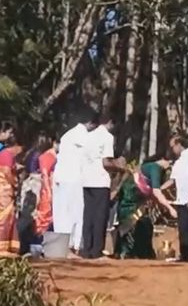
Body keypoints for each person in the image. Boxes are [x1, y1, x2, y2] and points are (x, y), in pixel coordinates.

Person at [50, 110, 98, 258]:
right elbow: (92, 156)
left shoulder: (67, 135)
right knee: (74, 214)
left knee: (60, 213)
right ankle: (70, 249)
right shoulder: (82, 135)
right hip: (73, 178)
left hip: (61, 178)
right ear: (91, 124)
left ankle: (59, 248)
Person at [113, 154, 176, 259]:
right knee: (131, 223)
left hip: (136, 199)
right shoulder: (155, 168)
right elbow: (156, 191)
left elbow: (153, 193)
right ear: (164, 160)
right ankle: (128, 251)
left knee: (142, 223)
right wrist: (170, 209)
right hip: (132, 198)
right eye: (169, 163)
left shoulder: (150, 167)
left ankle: (136, 251)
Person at [81, 115, 122, 259]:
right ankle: (97, 250)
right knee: (100, 217)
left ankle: (87, 249)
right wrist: (119, 167)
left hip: (86, 180)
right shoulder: (107, 137)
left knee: (88, 215)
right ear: (110, 122)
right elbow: (106, 162)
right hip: (100, 180)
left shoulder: (88, 136)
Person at [17, 133, 53, 256]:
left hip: (28, 183)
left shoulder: (29, 153)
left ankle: (25, 244)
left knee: (26, 212)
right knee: (35, 214)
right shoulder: (42, 156)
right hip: (37, 183)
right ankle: (33, 244)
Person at [0, 144, 23, 257]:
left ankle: (7, 247)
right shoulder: (7, 155)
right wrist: (15, 183)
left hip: (3, 193)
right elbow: (7, 172)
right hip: (0, 194)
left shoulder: (4, 155)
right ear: (16, 146)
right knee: (1, 219)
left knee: (8, 219)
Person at [35, 136, 58, 236]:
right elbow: (45, 175)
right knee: (45, 215)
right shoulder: (49, 156)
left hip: (53, 188)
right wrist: (49, 192)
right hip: (47, 189)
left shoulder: (55, 155)